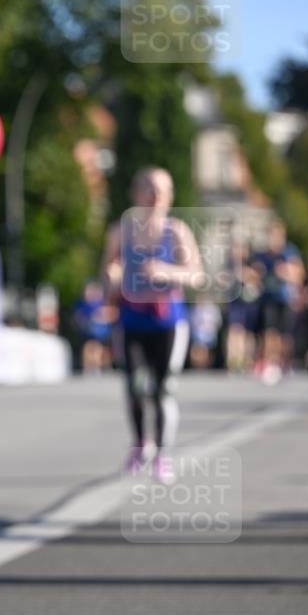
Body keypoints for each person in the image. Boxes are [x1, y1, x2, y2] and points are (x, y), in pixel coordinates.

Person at [102, 167, 203, 482]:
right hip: (131, 317)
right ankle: (139, 445)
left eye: (162, 190)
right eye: (149, 188)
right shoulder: (121, 230)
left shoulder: (176, 231)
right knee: (133, 385)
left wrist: (166, 271)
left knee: (162, 388)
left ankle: (162, 453)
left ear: (170, 197)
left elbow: (196, 274)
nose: (156, 196)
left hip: (167, 320)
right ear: (136, 194)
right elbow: (107, 272)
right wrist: (113, 278)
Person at [251, 219, 305, 383]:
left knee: (284, 335)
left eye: (276, 235)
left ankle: (284, 361)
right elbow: (254, 272)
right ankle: (270, 363)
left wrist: (286, 272)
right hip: (268, 298)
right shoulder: (263, 254)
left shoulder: (289, 252)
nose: (273, 239)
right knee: (269, 332)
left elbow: (299, 275)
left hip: (285, 297)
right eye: (270, 235)